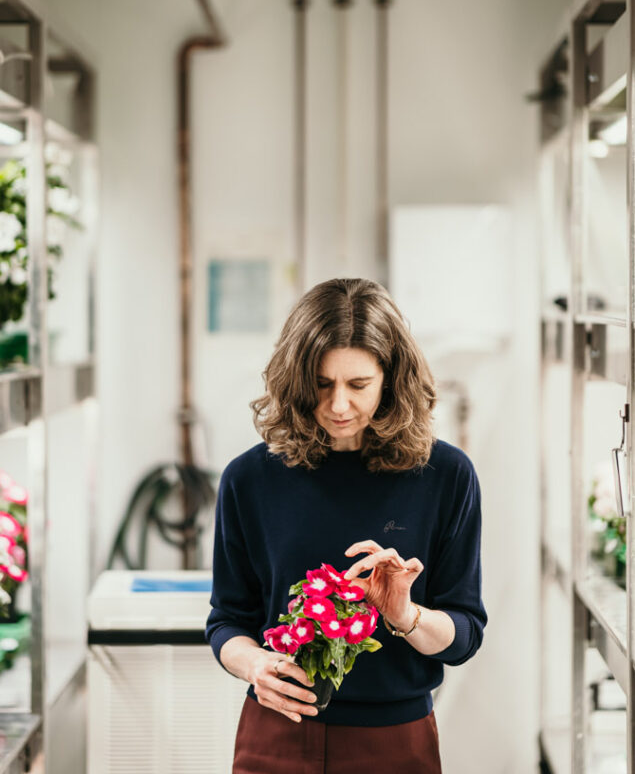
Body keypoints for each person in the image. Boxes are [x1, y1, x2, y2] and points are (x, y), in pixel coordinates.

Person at [205, 277, 487, 773]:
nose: (338, 405)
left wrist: (405, 614)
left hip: (395, 743)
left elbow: (464, 637)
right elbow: (227, 620)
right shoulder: (248, 479)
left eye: (358, 385)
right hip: (276, 733)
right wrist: (255, 665)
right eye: (321, 384)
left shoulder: (446, 475)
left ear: (391, 379)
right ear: (296, 380)